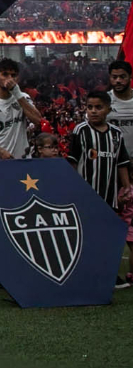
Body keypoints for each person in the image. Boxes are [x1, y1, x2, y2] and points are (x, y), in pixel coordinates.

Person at [67, 91, 131, 289]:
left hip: (109, 196)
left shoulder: (115, 134)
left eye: (98, 107)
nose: (93, 111)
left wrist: (127, 187)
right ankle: (83, 274)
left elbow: (122, 163)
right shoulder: (80, 131)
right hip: (85, 195)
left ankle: (108, 275)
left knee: (107, 238)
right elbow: (72, 162)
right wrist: (71, 188)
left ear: (108, 110)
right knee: (85, 236)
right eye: (90, 107)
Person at [106, 60, 133, 286]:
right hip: (112, 170)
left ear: (129, 77)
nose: (118, 81)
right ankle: (109, 273)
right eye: (114, 77)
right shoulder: (105, 103)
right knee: (111, 221)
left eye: (122, 76)